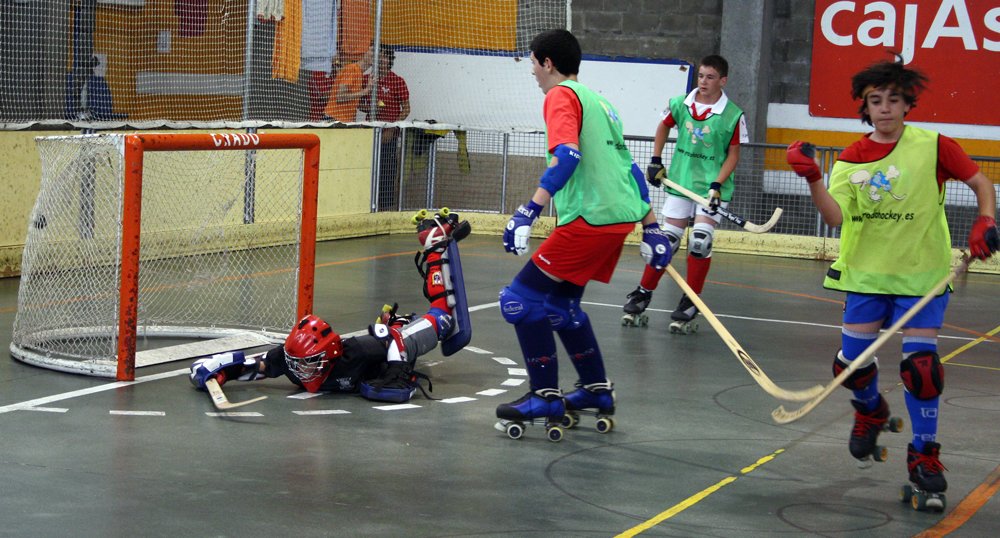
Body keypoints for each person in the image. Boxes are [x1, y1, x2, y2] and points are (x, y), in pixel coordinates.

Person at [785, 60, 999, 504]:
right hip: (866, 275)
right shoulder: (850, 158)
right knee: (850, 365)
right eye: (875, 101)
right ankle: (870, 411)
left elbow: (981, 183)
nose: (884, 108)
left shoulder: (934, 146)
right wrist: (813, 178)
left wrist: (985, 220)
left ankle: (924, 456)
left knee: (922, 369)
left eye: (893, 100)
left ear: (907, 104)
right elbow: (835, 217)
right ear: (864, 107)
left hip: (922, 276)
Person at [495, 29, 673, 440]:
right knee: (560, 305)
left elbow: (568, 155)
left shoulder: (560, 96)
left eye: (533, 63)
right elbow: (630, 169)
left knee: (518, 301)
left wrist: (529, 210)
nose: (532, 72)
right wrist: (651, 227)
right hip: (617, 219)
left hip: (589, 219)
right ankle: (595, 390)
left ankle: (544, 396)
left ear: (547, 63)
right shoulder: (601, 103)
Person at [189, 211, 471, 403]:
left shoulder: (357, 352)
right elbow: (259, 366)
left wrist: (396, 374)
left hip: (392, 348)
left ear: (328, 357)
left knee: (442, 320)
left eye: (306, 362)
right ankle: (397, 320)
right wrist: (222, 370)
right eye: (296, 362)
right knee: (391, 329)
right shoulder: (294, 361)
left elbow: (390, 342)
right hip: (382, 346)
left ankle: (435, 248)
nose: (299, 369)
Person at [620, 55, 749, 333]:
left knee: (700, 242)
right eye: (701, 76)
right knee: (666, 242)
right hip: (681, 183)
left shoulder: (733, 115)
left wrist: (717, 185)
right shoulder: (680, 104)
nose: (703, 81)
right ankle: (643, 292)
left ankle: (691, 300)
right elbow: (664, 126)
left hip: (712, 189)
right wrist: (656, 159)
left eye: (710, 77)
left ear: (723, 81)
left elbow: (734, 154)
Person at [359, 45, 411, 211]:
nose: (380, 59)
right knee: (368, 168)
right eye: (378, 56)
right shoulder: (366, 79)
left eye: (384, 56)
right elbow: (359, 104)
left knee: (386, 170)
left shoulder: (397, 81)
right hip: (370, 132)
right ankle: (367, 204)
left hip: (389, 134)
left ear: (389, 60)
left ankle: (386, 207)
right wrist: (371, 107)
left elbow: (406, 109)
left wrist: (392, 128)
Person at [323, 45, 375, 122]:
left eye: (377, 53)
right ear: (363, 52)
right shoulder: (352, 69)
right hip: (334, 119)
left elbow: (350, 102)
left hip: (342, 120)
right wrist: (365, 91)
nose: (374, 54)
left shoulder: (358, 72)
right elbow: (340, 97)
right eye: (372, 50)